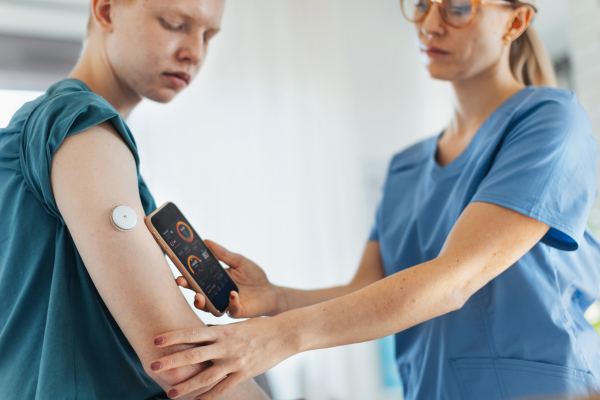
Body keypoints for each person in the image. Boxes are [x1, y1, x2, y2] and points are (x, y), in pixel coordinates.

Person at [150, 0, 600, 399]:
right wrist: (277, 299)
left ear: (515, 21)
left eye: (457, 8)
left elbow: (455, 280)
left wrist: (280, 336)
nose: (429, 24)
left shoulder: (551, 121)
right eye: (422, 5)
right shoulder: (405, 166)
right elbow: (366, 290)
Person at [0, 0, 270, 399]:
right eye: (174, 23)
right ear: (106, 11)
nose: (194, 52)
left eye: (208, 35)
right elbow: (179, 359)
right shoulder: (77, 122)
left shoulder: (35, 132)